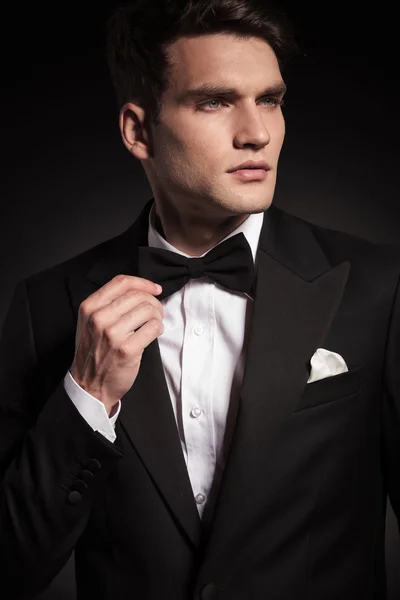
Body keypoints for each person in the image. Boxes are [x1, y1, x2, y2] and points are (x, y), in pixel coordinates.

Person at [1, 0, 399, 598]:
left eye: (270, 99)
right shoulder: (45, 308)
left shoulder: (380, 287)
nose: (257, 132)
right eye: (214, 101)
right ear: (138, 130)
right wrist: (85, 397)